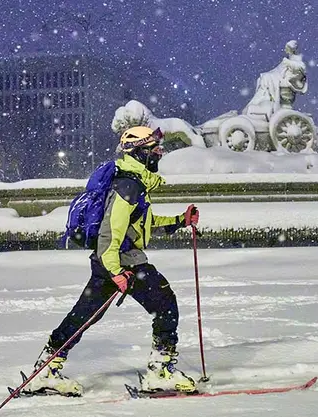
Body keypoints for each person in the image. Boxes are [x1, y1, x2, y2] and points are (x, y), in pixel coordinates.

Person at [24, 126, 200, 396]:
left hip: (112, 262)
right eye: (154, 149)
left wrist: (180, 221)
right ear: (140, 152)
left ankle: (46, 370)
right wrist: (116, 272)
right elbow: (110, 233)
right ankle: (160, 372)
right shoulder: (128, 185)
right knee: (166, 304)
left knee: (83, 316)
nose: (159, 154)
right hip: (124, 264)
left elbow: (143, 225)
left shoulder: (133, 182)